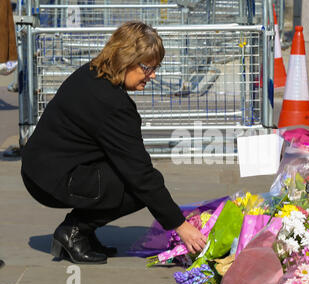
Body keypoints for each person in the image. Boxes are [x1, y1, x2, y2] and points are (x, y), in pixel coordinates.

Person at [20, 21, 207, 265]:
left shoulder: (92, 73)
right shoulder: (113, 104)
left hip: (42, 168)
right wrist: (180, 226)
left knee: (133, 177)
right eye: (147, 68)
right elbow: (140, 174)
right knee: (138, 188)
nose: (153, 75)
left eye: (155, 68)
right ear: (127, 59)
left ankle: (82, 231)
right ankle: (74, 231)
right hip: (51, 178)